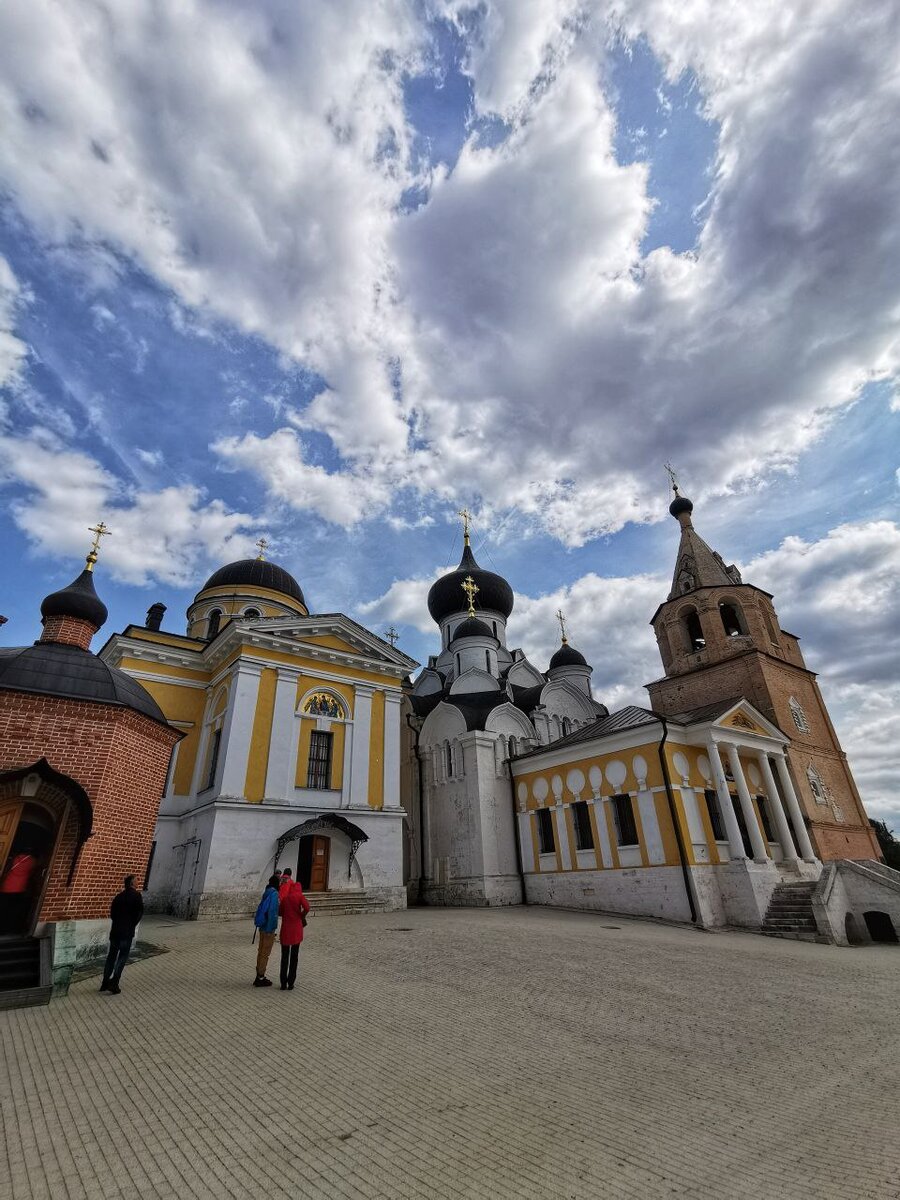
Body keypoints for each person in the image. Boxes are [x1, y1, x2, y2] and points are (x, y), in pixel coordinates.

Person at [100, 875, 144, 995]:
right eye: (136, 881)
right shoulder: (136, 896)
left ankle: (104, 982)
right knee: (122, 957)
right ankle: (114, 982)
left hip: (115, 931)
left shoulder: (118, 897)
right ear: (131, 884)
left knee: (111, 956)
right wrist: (131, 924)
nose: (138, 883)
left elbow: (113, 914)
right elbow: (139, 913)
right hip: (126, 932)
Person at [278, 879, 310, 991]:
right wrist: (301, 915)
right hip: (296, 930)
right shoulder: (300, 897)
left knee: (284, 957)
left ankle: (283, 982)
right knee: (294, 957)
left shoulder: (286, 898)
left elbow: (280, 912)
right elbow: (307, 907)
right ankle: (291, 982)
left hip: (286, 930)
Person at [0, 846, 39, 933]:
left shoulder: (13, 858)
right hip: (20, 888)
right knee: (13, 910)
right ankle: (10, 928)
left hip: (6, 886)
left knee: (2, 908)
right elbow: (34, 873)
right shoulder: (33, 861)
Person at [253, 874, 280, 987]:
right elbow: (272, 911)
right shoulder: (274, 894)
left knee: (261, 951)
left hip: (262, 926)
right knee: (265, 953)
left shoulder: (267, 892)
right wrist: (271, 928)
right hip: (268, 927)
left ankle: (258, 974)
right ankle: (261, 977)